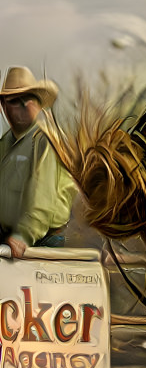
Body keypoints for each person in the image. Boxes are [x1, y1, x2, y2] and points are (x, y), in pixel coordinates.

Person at [0, 66, 76, 257]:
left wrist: (22, 236)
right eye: (15, 101)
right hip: (8, 238)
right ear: (3, 106)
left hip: (39, 243)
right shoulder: (4, 144)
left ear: (39, 103)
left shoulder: (46, 140)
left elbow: (42, 198)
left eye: (30, 99)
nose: (25, 106)